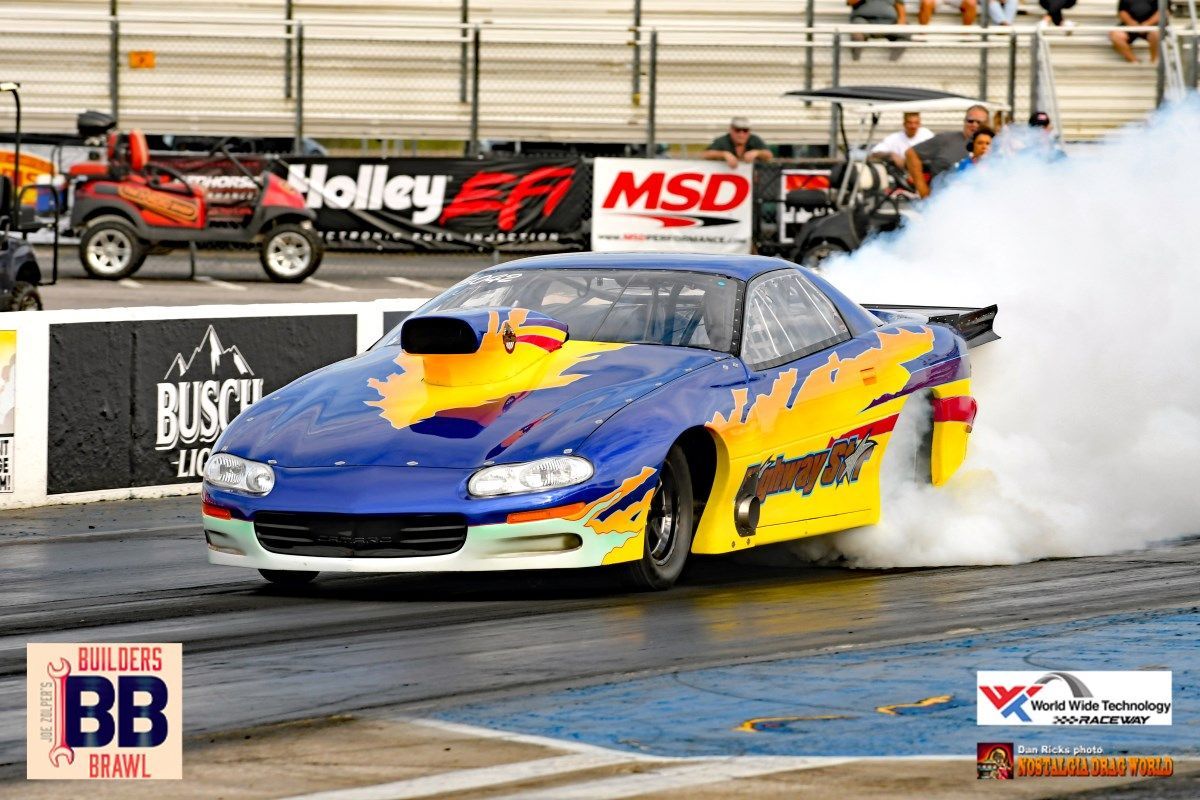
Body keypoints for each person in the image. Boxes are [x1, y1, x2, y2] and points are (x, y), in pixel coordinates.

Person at [905, 104, 989, 198]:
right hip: (941, 201)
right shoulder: (945, 139)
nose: (974, 124)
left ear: (987, 124)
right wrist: (922, 190)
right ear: (964, 121)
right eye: (970, 121)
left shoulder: (993, 147)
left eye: (979, 122)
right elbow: (911, 153)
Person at [702, 117, 772, 167]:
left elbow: (769, 155)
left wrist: (757, 153)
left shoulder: (754, 139)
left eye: (745, 130)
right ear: (731, 130)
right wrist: (724, 154)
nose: (741, 134)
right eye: (737, 130)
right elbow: (704, 154)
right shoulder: (722, 141)